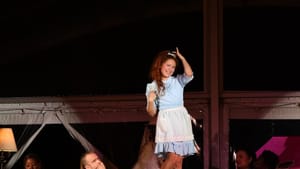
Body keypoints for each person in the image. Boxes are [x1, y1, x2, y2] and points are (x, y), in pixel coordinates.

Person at [145, 47, 199, 169]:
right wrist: (150, 101)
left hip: (181, 119)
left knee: (179, 161)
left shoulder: (178, 80)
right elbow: (152, 112)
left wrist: (182, 58)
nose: (170, 69)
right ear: (160, 65)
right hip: (167, 122)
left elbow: (189, 74)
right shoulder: (153, 86)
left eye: (173, 67)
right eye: (168, 65)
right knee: (173, 157)